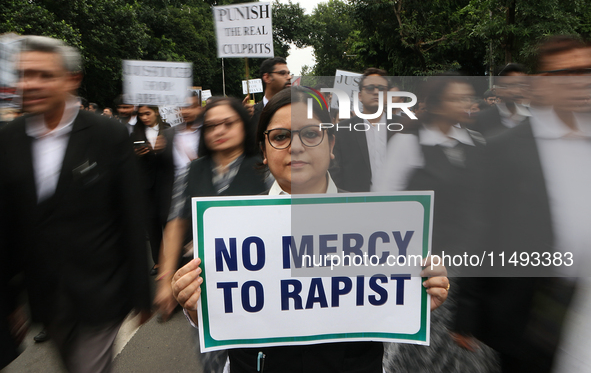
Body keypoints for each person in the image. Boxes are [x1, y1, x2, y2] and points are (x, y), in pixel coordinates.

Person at [171, 87, 450, 373]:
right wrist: (195, 306)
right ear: (264, 151)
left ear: (330, 145)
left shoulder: (377, 222)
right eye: (280, 136)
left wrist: (420, 295)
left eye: (311, 134)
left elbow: (390, 307)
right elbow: (219, 315)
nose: (295, 146)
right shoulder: (229, 227)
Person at [0, 35, 151, 373]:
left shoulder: (107, 134)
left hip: (100, 293)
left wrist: (142, 293)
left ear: (71, 79)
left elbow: (131, 213)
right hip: (45, 296)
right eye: (25, 74)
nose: (32, 84)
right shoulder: (10, 138)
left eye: (44, 75)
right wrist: (9, 301)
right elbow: (8, 224)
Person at [453, 36, 591, 373]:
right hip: (535, 313)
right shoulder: (505, 148)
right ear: (544, 84)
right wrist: (466, 310)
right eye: (567, 74)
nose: (580, 81)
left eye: (587, 70)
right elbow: (481, 227)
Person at [372, 75, 498, 372]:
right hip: (425, 271)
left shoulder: (475, 143)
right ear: (438, 105)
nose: (466, 104)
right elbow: (384, 203)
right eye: (457, 98)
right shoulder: (408, 142)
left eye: (468, 97)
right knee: (419, 353)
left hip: (470, 271)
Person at [154, 97, 266, 322]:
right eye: (212, 126)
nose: (219, 131)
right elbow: (176, 224)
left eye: (228, 123)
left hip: (257, 281)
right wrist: (166, 280)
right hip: (204, 282)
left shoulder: (264, 168)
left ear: (244, 125)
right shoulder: (191, 171)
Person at [331, 68, 404, 192]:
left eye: (381, 89)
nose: (376, 92)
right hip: (357, 206)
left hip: (399, 203)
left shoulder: (404, 127)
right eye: (370, 88)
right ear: (360, 95)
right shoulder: (342, 131)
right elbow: (336, 175)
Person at [132, 105, 174, 276]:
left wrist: (164, 150)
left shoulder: (168, 130)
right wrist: (137, 154)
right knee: (152, 223)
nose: (144, 117)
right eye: (141, 114)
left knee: (169, 222)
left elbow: (176, 156)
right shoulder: (135, 133)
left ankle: (173, 259)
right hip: (145, 185)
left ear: (156, 112)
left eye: (147, 113)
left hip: (167, 182)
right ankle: (158, 261)